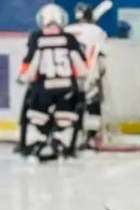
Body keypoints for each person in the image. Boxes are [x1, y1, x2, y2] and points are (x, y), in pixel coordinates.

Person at [16, 4, 87, 161]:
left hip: (43, 88)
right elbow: (81, 66)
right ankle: (60, 142)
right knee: (65, 118)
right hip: (67, 87)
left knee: (38, 117)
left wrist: (23, 77)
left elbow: (31, 64)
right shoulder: (69, 38)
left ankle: (38, 142)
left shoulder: (37, 37)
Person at [65, 2, 107, 149]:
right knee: (93, 106)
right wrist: (101, 73)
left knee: (69, 105)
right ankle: (90, 137)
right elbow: (101, 58)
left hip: (69, 75)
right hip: (90, 75)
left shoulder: (67, 29)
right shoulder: (98, 31)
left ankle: (68, 136)